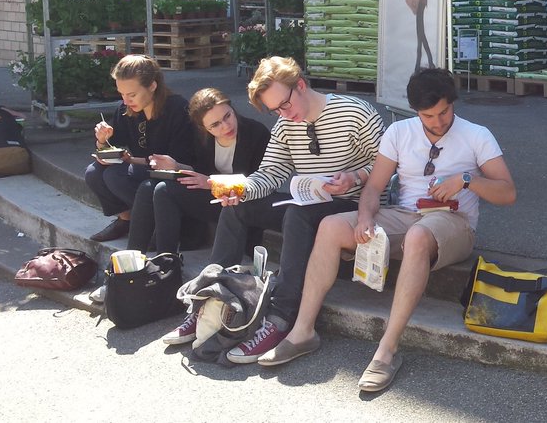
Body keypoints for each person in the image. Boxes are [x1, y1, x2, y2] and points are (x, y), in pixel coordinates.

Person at [256, 68, 515, 393]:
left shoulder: (477, 135)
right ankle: (302, 332)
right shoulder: (399, 131)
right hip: (406, 215)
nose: (437, 122)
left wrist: (466, 180)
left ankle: (386, 351)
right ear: (415, 111)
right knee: (332, 225)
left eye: (443, 112)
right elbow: (373, 186)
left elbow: (507, 193)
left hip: (455, 224)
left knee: (418, 237)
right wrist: (365, 217)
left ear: (453, 103)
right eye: (427, 115)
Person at [161, 56, 384, 351]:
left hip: (351, 205)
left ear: (300, 86)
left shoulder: (355, 112)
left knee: (296, 214)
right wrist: (239, 189)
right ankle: (209, 300)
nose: (282, 114)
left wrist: (356, 176)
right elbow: (269, 174)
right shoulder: (284, 126)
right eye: (275, 110)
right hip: (309, 201)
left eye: (284, 105)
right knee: (236, 208)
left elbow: (392, 167)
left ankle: (280, 317)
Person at [128, 87, 270, 258]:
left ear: (232, 109)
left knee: (162, 190)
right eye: (215, 125)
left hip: (245, 201)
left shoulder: (257, 133)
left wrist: (211, 182)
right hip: (215, 198)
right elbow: (200, 172)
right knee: (155, 188)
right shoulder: (202, 138)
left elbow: (261, 182)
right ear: (204, 128)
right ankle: (145, 262)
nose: (225, 126)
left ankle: (165, 263)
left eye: (227, 116)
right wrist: (176, 167)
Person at [86, 55, 196, 243]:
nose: (126, 101)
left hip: (172, 175)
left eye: (132, 94)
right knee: (94, 172)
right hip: (142, 170)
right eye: (122, 94)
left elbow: (175, 162)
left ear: (152, 86)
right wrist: (102, 142)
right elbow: (115, 144)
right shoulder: (125, 109)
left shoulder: (178, 109)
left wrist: (130, 160)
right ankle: (126, 219)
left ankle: (157, 222)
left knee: (115, 175)